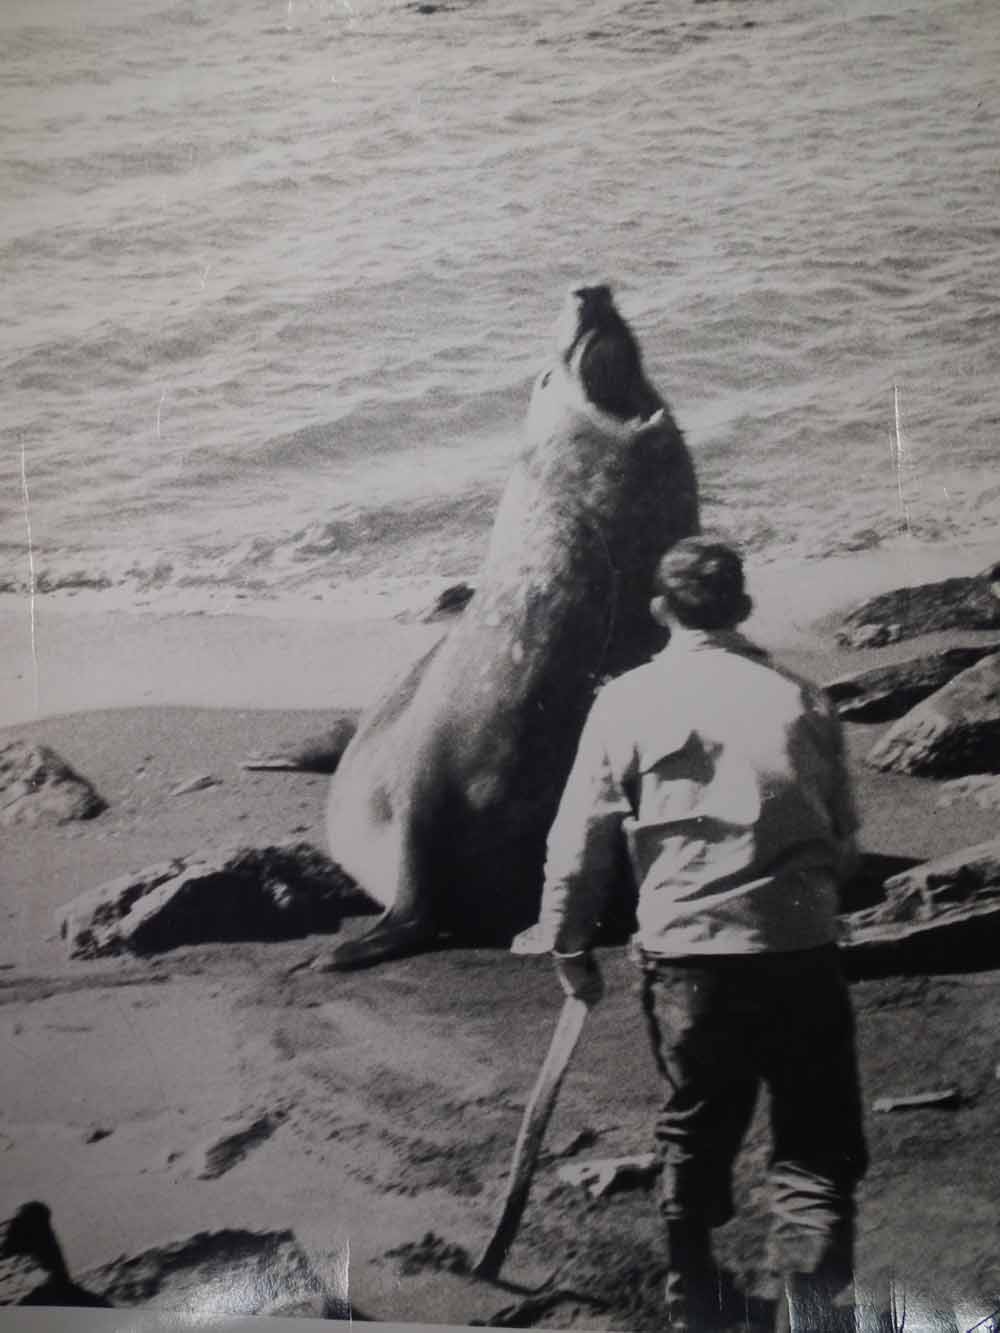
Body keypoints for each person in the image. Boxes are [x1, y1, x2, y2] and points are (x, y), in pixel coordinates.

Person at [524, 537, 868, 1331]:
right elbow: (845, 841)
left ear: (659, 611)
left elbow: (579, 841)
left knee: (696, 1121)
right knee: (815, 1141)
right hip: (797, 949)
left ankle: (696, 1295)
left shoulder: (625, 701)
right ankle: (815, 1309)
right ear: (743, 609)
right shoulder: (802, 699)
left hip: (687, 955)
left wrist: (569, 946)